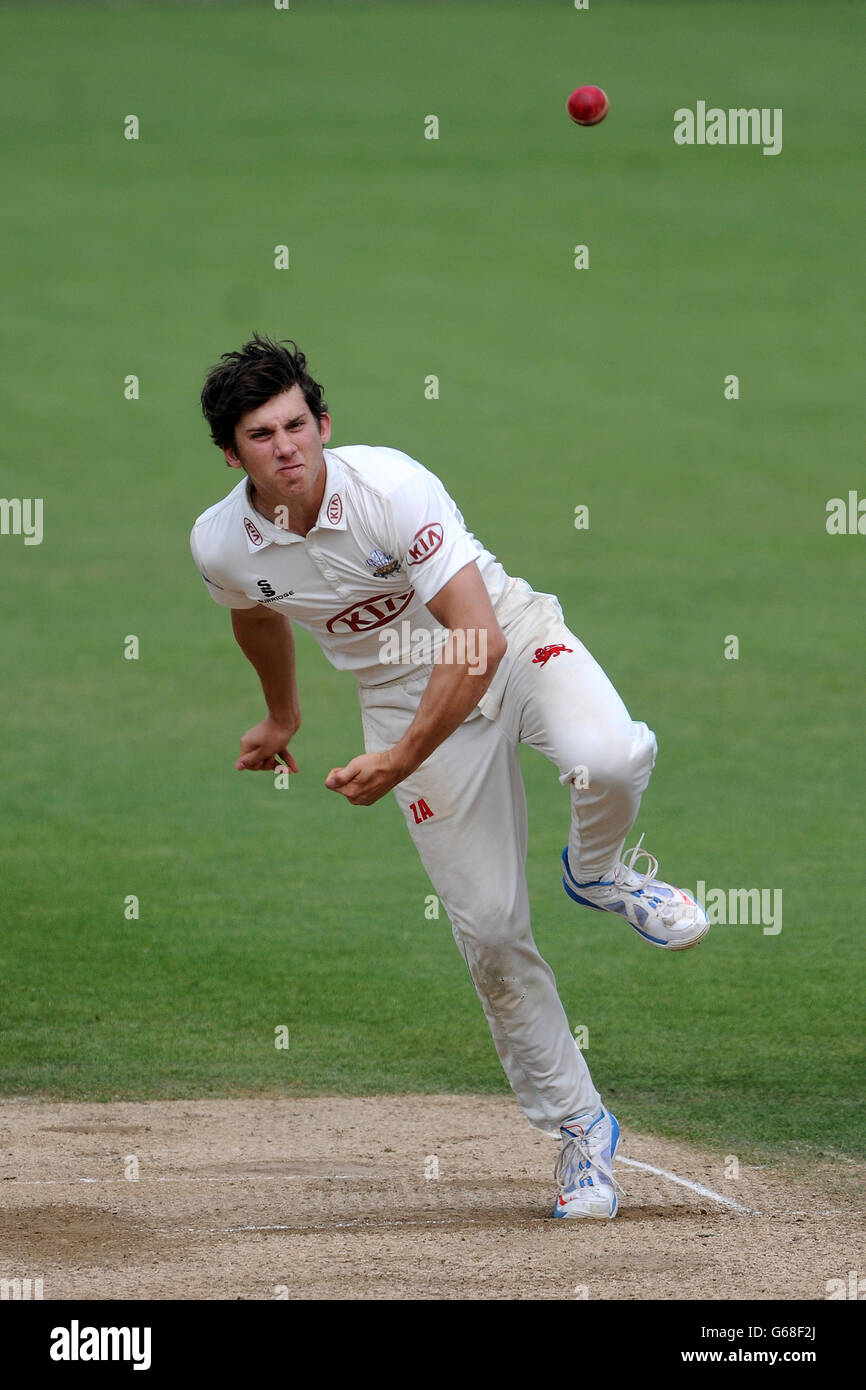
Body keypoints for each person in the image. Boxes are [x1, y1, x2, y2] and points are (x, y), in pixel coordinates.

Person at [191, 334, 709, 1220]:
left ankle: (600, 871)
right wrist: (283, 715)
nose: (286, 447)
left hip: (503, 643)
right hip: (398, 696)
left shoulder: (393, 487)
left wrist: (399, 760)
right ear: (231, 453)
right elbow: (257, 616)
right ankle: (583, 1130)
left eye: (295, 424)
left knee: (612, 756)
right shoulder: (222, 546)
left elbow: (477, 639)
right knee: (493, 934)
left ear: (323, 423)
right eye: (260, 434)